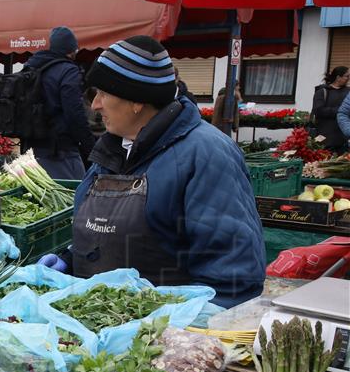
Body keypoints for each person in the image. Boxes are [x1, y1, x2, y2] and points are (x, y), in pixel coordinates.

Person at [38, 36, 265, 308]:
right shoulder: (113, 148)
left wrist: (178, 332)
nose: (95, 104)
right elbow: (109, 232)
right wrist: (71, 258)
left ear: (137, 101)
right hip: (103, 324)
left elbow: (233, 275)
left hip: (158, 338)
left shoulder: (207, 155)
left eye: (103, 93)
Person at [21, 26, 95, 180]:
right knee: (77, 195)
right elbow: (74, 112)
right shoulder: (68, 71)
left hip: (33, 146)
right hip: (62, 149)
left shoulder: (32, 67)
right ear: (71, 49)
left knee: (45, 197)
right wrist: (89, 145)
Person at [311, 66, 350, 152]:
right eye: (347, 76)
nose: (348, 78)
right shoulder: (323, 91)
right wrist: (342, 111)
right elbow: (318, 110)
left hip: (344, 138)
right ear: (338, 77)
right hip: (326, 138)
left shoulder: (348, 92)